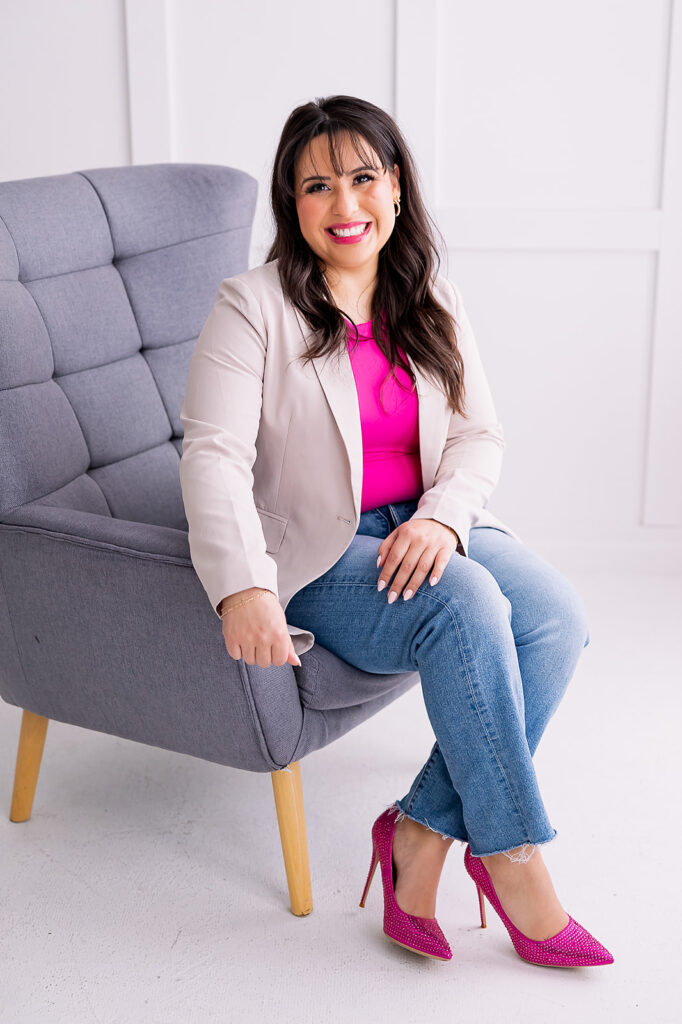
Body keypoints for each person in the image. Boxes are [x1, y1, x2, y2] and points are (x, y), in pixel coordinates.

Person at [179, 94, 614, 968]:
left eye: (363, 178)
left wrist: (443, 520)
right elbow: (212, 455)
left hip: (421, 522)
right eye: (316, 187)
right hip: (318, 549)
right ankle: (513, 858)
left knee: (556, 618)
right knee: (464, 608)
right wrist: (243, 584)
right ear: (290, 205)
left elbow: (477, 436)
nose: (345, 206)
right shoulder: (251, 305)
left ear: (397, 184)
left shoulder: (429, 294)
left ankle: (418, 829)